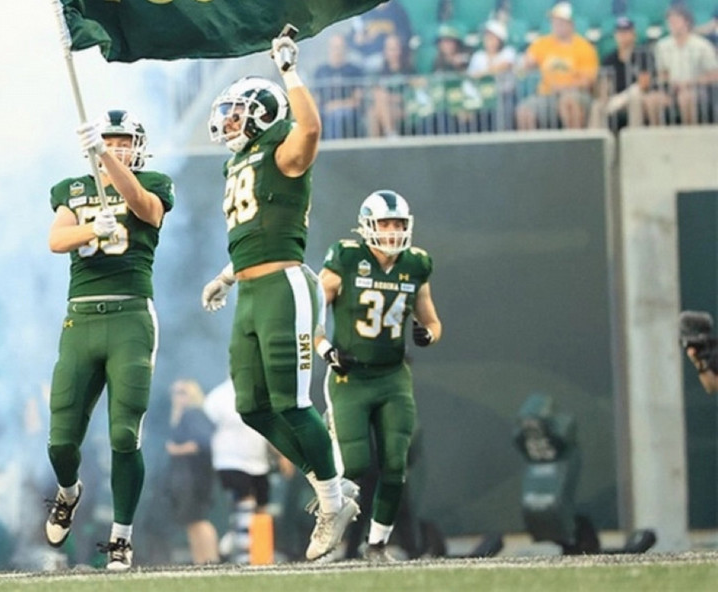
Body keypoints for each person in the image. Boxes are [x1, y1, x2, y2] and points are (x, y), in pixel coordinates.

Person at [200, 32, 360, 562]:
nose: (227, 119)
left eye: (237, 111)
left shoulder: (285, 146)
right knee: (251, 407)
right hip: (248, 289)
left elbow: (311, 126)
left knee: (291, 403)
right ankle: (330, 485)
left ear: (263, 115)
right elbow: (256, 229)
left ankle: (333, 499)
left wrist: (290, 70)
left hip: (285, 287)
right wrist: (226, 276)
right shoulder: (237, 162)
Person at [43, 109, 174, 572]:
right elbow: (57, 240)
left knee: (123, 433)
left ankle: (121, 538)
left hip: (130, 315)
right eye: (108, 141)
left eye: (123, 142)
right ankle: (69, 492)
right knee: (60, 440)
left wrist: (107, 161)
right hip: (81, 319)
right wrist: (89, 229)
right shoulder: (73, 189)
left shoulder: (154, 181)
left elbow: (142, 206)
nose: (117, 148)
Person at [317, 191, 446, 561]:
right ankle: (330, 525)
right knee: (356, 467)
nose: (392, 232)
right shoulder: (346, 257)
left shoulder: (416, 264)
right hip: (350, 376)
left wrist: (428, 334)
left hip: (393, 377)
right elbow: (309, 312)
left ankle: (376, 546)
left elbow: (432, 320)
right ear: (367, 226)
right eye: (385, 223)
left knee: (395, 464)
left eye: (398, 224)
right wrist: (326, 349)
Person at [202, 378, 273, 565]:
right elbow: (205, 430)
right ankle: (246, 558)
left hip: (258, 461)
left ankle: (240, 544)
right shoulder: (218, 397)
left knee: (260, 509)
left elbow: (271, 428)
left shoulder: (262, 393)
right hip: (230, 460)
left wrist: (281, 456)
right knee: (245, 503)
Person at [517, 3, 600, 130]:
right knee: (524, 110)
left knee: (568, 103)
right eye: (554, 21)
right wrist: (527, 64)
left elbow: (588, 81)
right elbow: (526, 62)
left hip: (576, 94)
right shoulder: (543, 43)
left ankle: (575, 144)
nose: (557, 25)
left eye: (561, 22)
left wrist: (564, 87)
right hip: (546, 95)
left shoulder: (584, 47)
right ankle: (531, 148)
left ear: (571, 24)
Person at [163, 380, 218, 565]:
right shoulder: (183, 417)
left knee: (199, 519)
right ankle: (200, 560)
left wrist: (175, 449)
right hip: (186, 477)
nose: (177, 397)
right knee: (191, 521)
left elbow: (201, 443)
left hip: (195, 476)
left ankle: (210, 559)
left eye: (182, 392)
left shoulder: (194, 414)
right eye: (175, 392)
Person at [595, 16, 667, 128]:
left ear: (634, 34)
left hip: (639, 95)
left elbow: (644, 83)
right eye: (620, 33)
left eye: (626, 32)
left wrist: (622, 99)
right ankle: (597, 139)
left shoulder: (643, 54)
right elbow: (604, 83)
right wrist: (605, 96)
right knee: (597, 105)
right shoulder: (609, 58)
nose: (623, 36)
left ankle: (634, 135)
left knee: (635, 96)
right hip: (614, 97)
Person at [653, 4, 718, 125]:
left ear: (687, 22)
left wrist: (690, 82)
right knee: (652, 100)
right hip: (672, 90)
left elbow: (714, 74)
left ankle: (690, 137)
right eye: (669, 21)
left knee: (686, 98)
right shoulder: (662, 46)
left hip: (698, 90)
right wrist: (668, 82)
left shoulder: (702, 45)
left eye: (676, 20)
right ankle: (658, 138)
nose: (672, 24)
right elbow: (662, 73)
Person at [312, 35, 365, 140]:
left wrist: (335, 106)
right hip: (324, 110)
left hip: (348, 110)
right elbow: (315, 99)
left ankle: (334, 149)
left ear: (346, 49)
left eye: (340, 47)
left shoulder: (355, 71)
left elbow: (357, 100)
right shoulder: (321, 71)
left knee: (337, 117)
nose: (337, 51)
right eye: (334, 47)